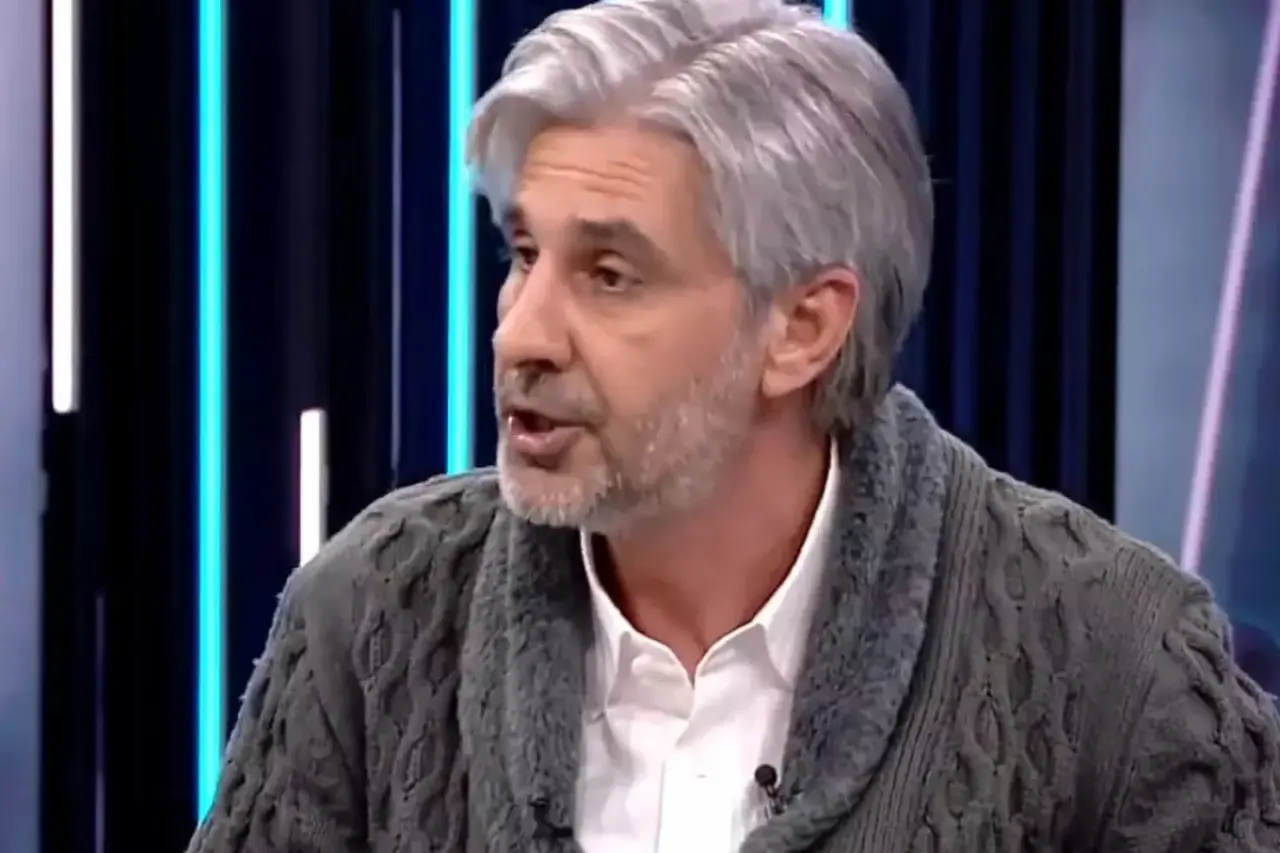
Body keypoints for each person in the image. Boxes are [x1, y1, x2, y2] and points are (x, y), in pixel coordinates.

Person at [187, 1, 1280, 851]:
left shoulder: (1112, 663)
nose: (520, 332)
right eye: (523, 255)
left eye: (609, 274)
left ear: (802, 327)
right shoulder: (373, 613)